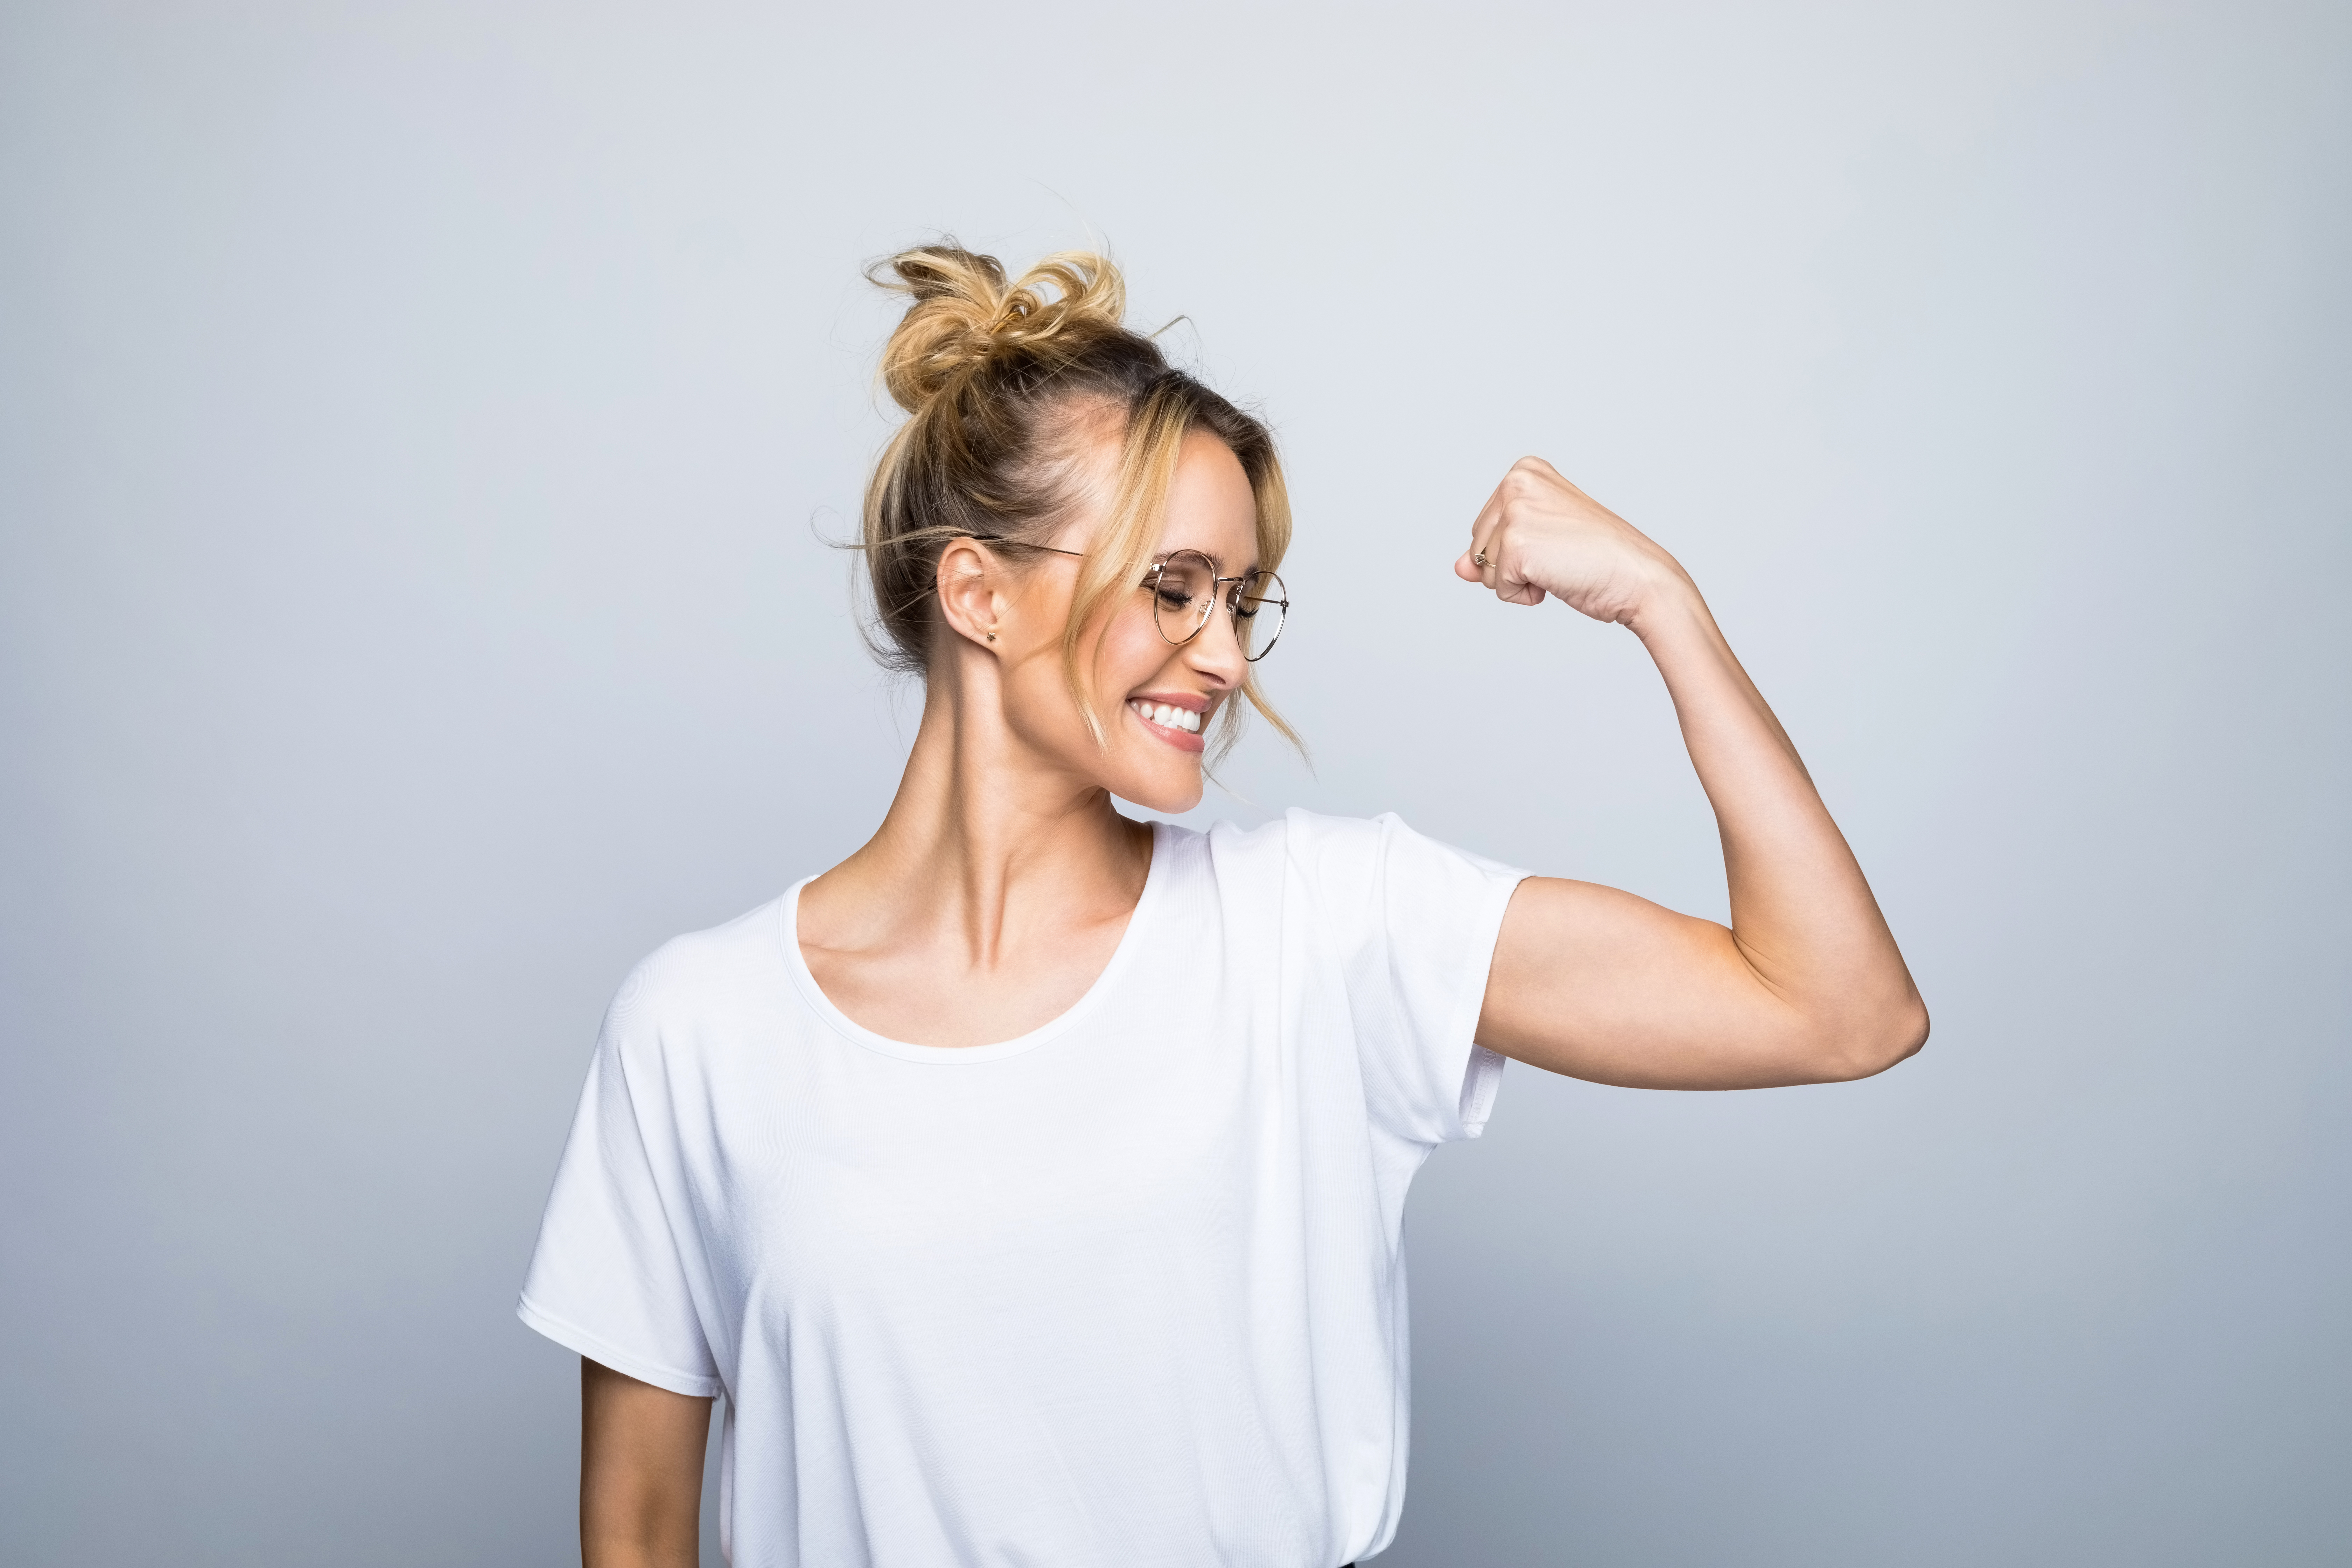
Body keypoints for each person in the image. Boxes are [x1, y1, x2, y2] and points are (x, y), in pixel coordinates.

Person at [517, 244, 1927, 1568]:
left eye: (1245, 600)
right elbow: (637, 1524)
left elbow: (1841, 1009)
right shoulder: (700, 1028)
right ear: (978, 594)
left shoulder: (1324, 930)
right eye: (1176, 590)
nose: (1228, 656)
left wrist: (1662, 605)